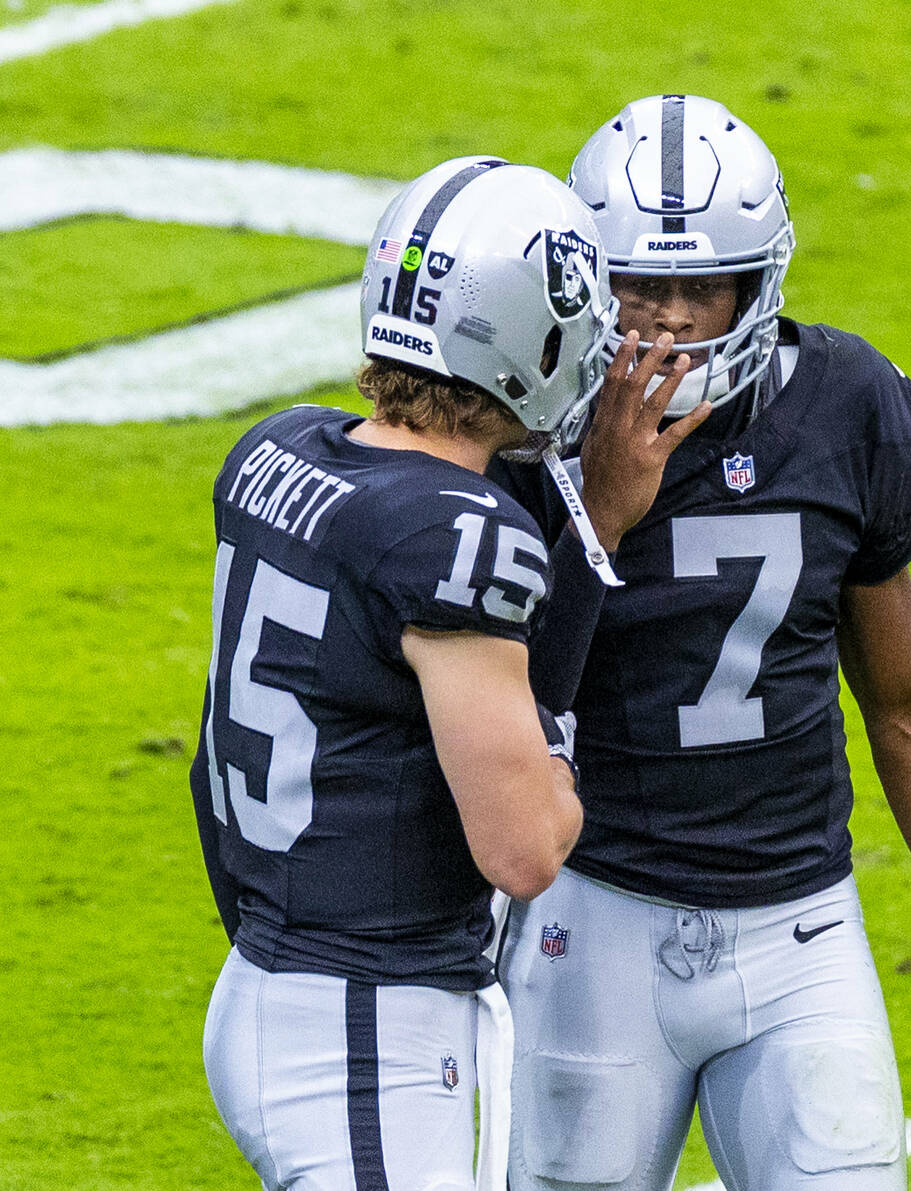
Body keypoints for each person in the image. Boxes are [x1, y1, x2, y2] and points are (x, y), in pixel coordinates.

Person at [494, 96, 911, 1191]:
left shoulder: (850, 404)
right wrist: (599, 513)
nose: (661, 323)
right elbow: (498, 719)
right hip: (593, 916)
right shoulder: (521, 433)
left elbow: (907, 705)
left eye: (696, 288)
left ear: (757, 285)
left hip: (800, 927)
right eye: (635, 286)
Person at [189, 156, 667, 1191]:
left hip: (270, 980)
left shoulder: (276, 453)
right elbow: (526, 850)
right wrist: (560, 781)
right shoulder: (455, 536)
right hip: (363, 1026)